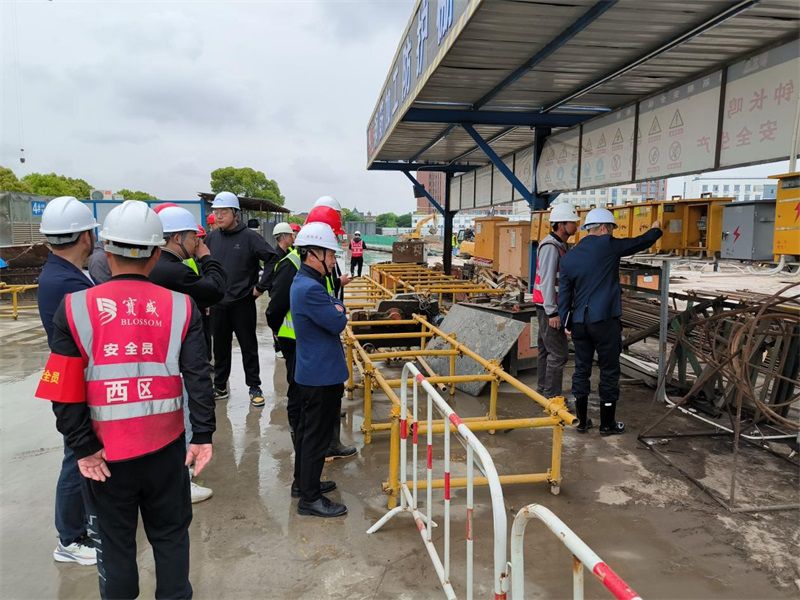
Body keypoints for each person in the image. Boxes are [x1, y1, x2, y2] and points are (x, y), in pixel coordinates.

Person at [35, 200, 215, 598]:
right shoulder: (181, 306)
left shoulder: (74, 307)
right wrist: (202, 435)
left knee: (115, 546)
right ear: (155, 253)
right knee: (171, 536)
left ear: (106, 249)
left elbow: (63, 390)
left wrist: (83, 448)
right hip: (166, 450)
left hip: (105, 458)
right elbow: (198, 376)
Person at [558, 208, 662, 435]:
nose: (612, 233)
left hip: (579, 322)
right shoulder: (608, 245)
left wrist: (566, 323)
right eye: (612, 229)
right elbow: (639, 242)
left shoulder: (569, 257)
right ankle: (607, 424)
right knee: (609, 370)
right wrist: (655, 230)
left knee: (581, 369)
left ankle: (582, 421)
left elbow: (564, 294)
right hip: (604, 320)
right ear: (605, 228)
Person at [150, 205, 227, 503]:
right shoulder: (172, 270)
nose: (197, 243)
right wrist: (207, 258)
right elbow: (215, 289)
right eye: (194, 238)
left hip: (157, 354)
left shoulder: (154, 265)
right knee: (182, 420)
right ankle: (181, 482)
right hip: (175, 358)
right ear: (177, 238)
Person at [37, 196, 98, 566]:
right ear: (86, 236)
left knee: (80, 454)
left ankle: (81, 525)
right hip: (75, 377)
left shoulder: (64, 273)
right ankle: (70, 538)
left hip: (74, 372)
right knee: (78, 455)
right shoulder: (66, 283)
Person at [290, 222, 349, 517]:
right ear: (314, 254)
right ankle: (310, 498)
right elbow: (338, 321)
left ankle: (303, 483)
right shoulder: (310, 288)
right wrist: (339, 308)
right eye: (331, 254)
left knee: (306, 432)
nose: (334, 260)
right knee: (316, 436)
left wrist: (335, 305)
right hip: (320, 375)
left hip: (313, 372)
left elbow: (334, 307)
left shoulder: (306, 282)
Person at [205, 191, 278, 407]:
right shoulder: (211, 238)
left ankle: (254, 387)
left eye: (224, 211)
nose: (218, 216)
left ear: (235, 213)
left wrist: (260, 287)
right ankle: (220, 386)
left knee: (248, 347)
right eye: (216, 211)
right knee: (220, 349)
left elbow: (273, 259)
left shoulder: (250, 237)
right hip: (218, 304)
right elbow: (202, 264)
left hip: (242, 303)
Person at [305, 197, 356, 460]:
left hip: (322, 335)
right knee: (316, 408)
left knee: (330, 399)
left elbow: (329, 294)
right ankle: (322, 449)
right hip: (313, 344)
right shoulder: (302, 270)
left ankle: (330, 443)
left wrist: (337, 297)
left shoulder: (322, 262)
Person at [533, 203, 579, 404]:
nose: (576, 226)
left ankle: (543, 391)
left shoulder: (559, 245)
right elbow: (547, 280)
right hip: (548, 308)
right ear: (561, 225)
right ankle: (552, 399)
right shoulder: (551, 247)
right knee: (558, 354)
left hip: (547, 306)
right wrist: (552, 312)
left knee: (546, 350)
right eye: (572, 222)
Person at [265, 224, 301, 445]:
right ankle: (296, 427)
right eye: (291, 234)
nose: (293, 237)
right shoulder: (287, 261)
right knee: (295, 383)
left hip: (297, 333)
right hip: (290, 333)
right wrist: (276, 329)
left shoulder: (291, 256)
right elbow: (277, 302)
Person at [255, 222, 295, 294]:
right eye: (290, 235)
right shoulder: (274, 256)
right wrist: (259, 289)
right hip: (278, 294)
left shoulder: (289, 251)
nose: (293, 238)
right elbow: (267, 276)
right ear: (284, 236)